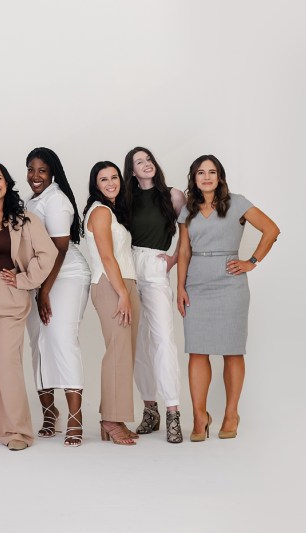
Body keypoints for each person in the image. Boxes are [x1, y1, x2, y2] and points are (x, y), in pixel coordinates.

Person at [177, 155, 279, 441]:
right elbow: (184, 252)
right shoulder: (187, 210)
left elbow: (272, 230)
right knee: (197, 350)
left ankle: (231, 413)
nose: (206, 177)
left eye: (212, 172)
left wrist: (251, 261)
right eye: (201, 172)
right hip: (196, 284)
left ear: (220, 176)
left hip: (230, 284)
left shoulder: (238, 202)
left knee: (232, 351)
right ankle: (199, 417)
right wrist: (180, 287)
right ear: (194, 178)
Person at [0, 162, 56, 451]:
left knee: (8, 365)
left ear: (7, 183)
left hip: (6, 294)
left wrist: (25, 279)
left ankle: (17, 431)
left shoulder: (24, 219)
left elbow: (48, 253)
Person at [24, 147, 91, 447]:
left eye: (41, 170)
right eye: (30, 169)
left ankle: (75, 419)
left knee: (62, 340)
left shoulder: (57, 200)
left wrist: (45, 291)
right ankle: (49, 412)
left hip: (65, 276)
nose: (35, 176)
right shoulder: (30, 201)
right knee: (38, 343)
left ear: (52, 172)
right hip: (39, 279)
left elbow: (60, 249)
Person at [123, 147, 186, 444]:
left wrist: (174, 258)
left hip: (154, 265)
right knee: (139, 343)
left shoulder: (172, 195)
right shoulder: (126, 199)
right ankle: (150, 409)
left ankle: (173, 411)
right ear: (132, 171)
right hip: (130, 265)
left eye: (148, 159)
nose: (146, 165)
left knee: (163, 339)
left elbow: (188, 233)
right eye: (139, 162)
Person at [82, 161, 140, 445]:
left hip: (124, 282)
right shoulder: (101, 211)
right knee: (117, 351)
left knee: (124, 352)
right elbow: (107, 257)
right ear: (96, 185)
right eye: (103, 179)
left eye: (114, 177)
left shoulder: (113, 212)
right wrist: (123, 294)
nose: (110, 183)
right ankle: (109, 420)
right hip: (111, 284)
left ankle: (115, 417)